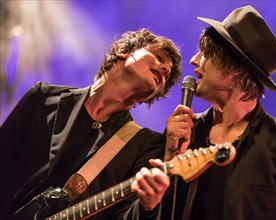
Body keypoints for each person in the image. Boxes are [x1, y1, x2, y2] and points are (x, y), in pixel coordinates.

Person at [161, 5, 276, 220]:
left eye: (206, 53)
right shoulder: (184, 131)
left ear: (235, 69)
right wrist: (169, 157)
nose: (193, 60)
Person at [0, 28, 181, 219]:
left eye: (167, 75)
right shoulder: (44, 98)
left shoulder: (144, 145)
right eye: (159, 57)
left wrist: (149, 206)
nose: (165, 69)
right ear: (123, 50)